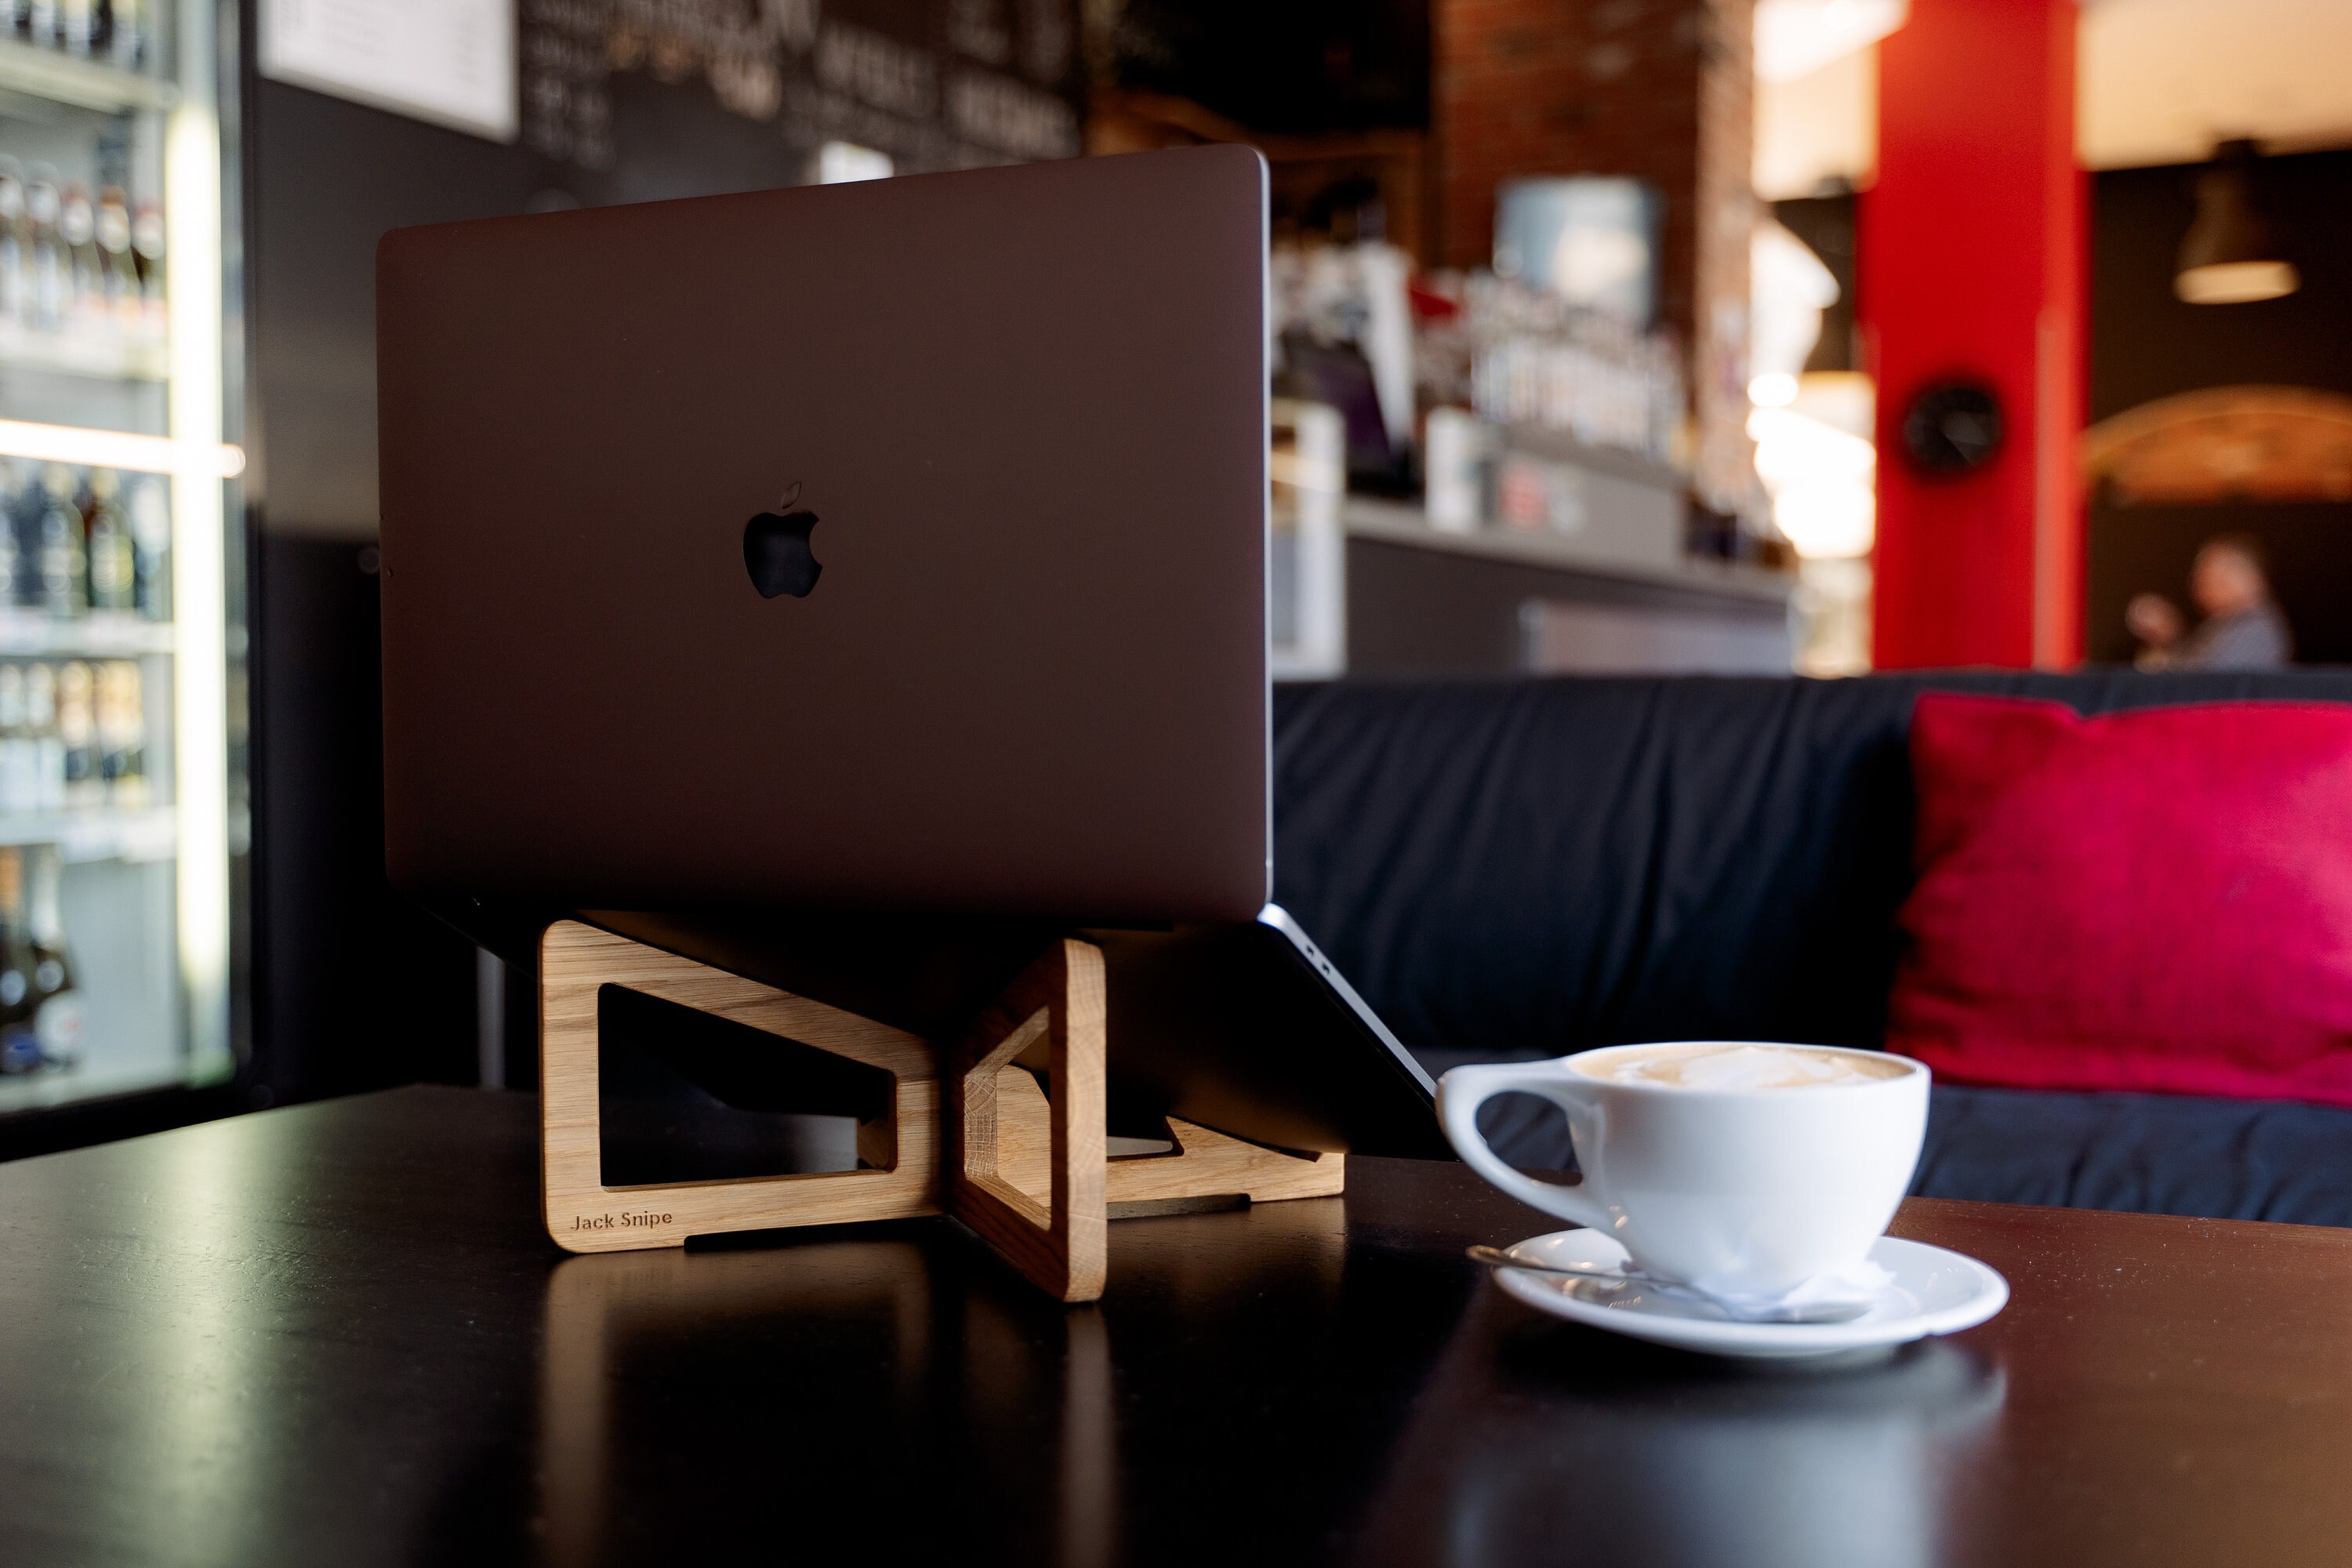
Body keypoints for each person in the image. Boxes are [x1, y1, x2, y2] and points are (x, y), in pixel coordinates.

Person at [2125, 534, 2292, 670]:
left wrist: (2163, 662)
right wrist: (2168, 638)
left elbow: (2204, 679)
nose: (2198, 588)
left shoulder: (2256, 629)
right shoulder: (2221, 624)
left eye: (2208, 579)